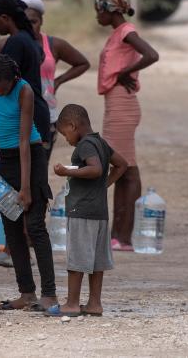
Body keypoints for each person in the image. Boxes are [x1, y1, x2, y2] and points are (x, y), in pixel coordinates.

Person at [0, 54, 57, 312]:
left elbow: (25, 142)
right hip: (7, 160)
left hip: (31, 158)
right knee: (12, 228)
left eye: (3, 86)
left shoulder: (23, 90)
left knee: (35, 226)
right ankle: (26, 292)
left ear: (13, 79)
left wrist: (26, 188)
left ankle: (49, 294)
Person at [0, 0, 90, 156]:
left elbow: (3, 86)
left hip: (26, 120)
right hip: (37, 115)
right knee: (35, 174)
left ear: (5, 18)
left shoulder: (16, 42)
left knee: (24, 175)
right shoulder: (27, 40)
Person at [46, 104, 128, 317]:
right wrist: (104, 184)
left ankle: (72, 304)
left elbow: (95, 169)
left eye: (65, 134)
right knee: (95, 261)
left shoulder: (84, 145)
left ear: (73, 126)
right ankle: (94, 303)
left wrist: (66, 171)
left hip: (82, 210)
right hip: (99, 212)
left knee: (77, 260)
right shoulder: (101, 143)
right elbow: (121, 165)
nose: (67, 139)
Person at [94, 0, 158, 250]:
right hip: (115, 102)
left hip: (123, 104)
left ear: (109, 9)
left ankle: (125, 237)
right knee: (121, 169)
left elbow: (151, 55)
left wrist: (125, 73)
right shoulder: (117, 34)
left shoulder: (126, 31)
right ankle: (118, 235)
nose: (97, 16)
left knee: (127, 169)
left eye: (98, 10)